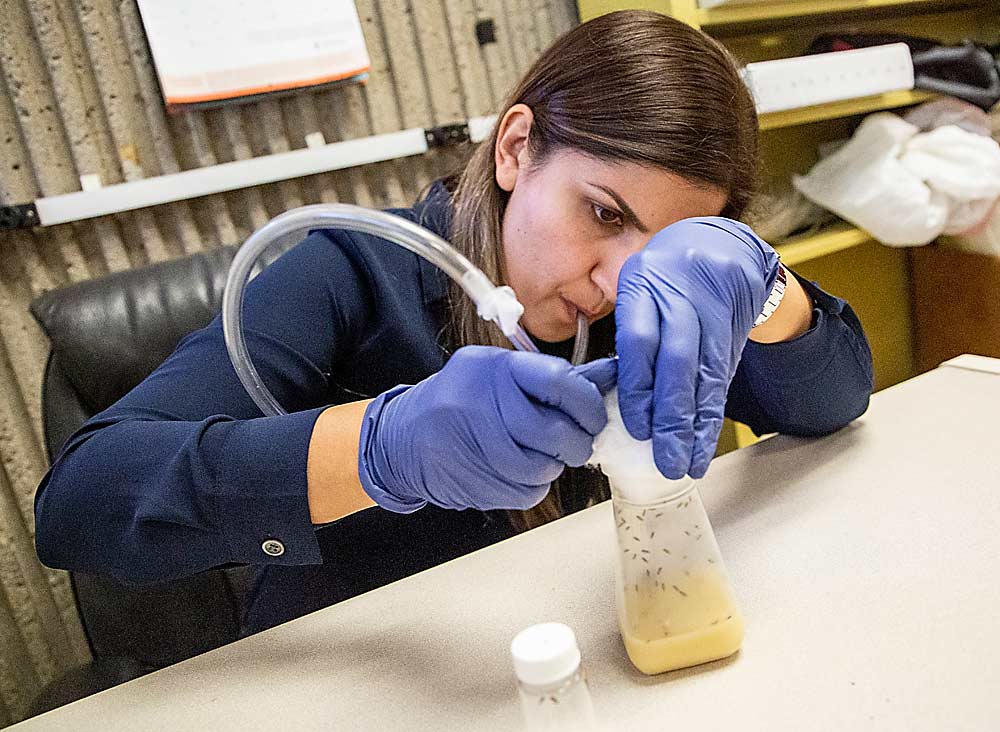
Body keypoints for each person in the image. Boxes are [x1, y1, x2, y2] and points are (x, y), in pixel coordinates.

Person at [34, 10, 872, 634]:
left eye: (675, 239)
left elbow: (830, 402)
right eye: (604, 213)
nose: (619, 279)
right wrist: (379, 449)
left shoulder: (653, 302)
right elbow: (81, 501)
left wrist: (763, 287)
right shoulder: (352, 271)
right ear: (515, 149)